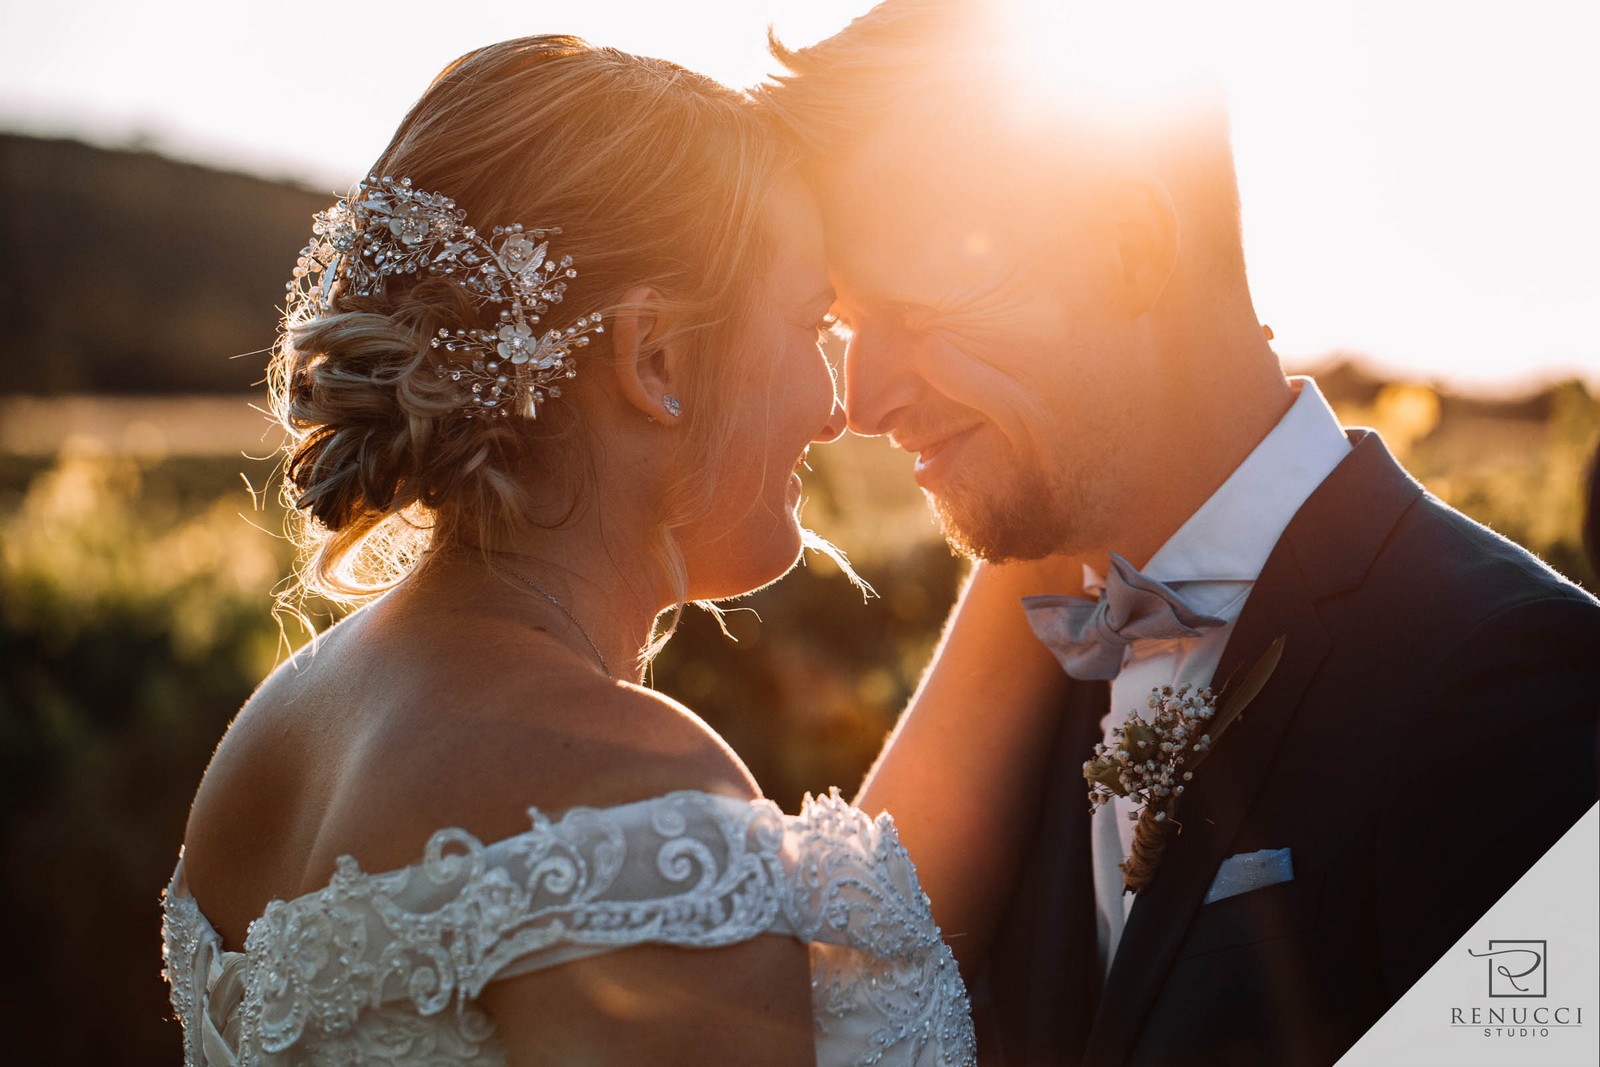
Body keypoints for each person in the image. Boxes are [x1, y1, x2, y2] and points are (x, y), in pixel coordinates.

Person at [759, 2, 1600, 1064]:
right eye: (843, 325)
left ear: (1129, 248)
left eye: (917, 312)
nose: (865, 399)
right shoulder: (1026, 683)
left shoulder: (1508, 679)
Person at [160, 35, 1000, 1065]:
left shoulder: (278, 731)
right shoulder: (633, 798)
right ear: (655, 356)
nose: (836, 408)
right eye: (809, 324)